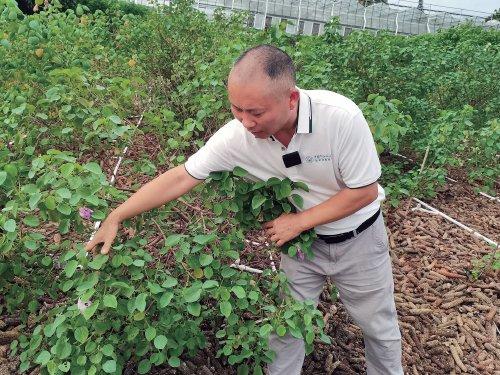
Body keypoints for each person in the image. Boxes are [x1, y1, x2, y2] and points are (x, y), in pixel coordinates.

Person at [86, 44, 403, 375]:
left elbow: (364, 191)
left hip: (358, 241)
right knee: (285, 328)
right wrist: (116, 215)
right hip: (302, 247)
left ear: (291, 99)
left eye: (256, 112)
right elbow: (181, 177)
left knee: (378, 330)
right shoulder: (237, 136)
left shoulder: (340, 118)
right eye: (237, 109)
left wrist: (298, 221)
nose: (246, 122)